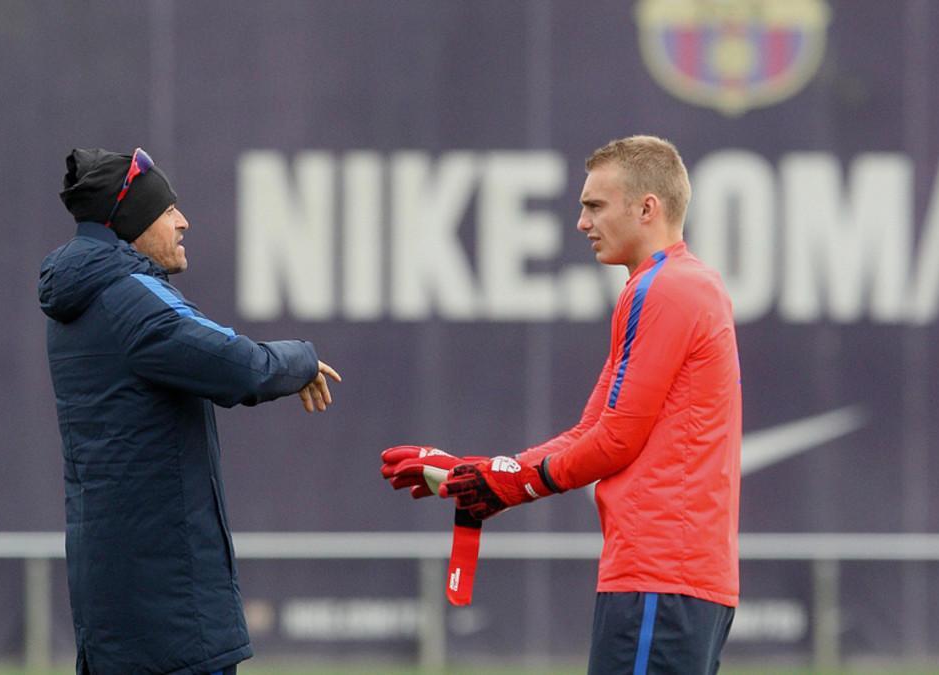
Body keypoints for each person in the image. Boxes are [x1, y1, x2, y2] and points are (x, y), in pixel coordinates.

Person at [382, 136, 740, 674]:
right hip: (671, 576)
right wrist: (484, 475)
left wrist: (508, 484)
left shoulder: (664, 289)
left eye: (594, 205)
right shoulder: (674, 284)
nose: (582, 222)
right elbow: (591, 429)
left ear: (647, 208)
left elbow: (616, 440)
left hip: (659, 576)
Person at [39, 147, 340, 675]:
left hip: (121, 595)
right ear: (130, 222)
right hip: (167, 608)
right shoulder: (130, 298)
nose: (183, 221)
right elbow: (242, 367)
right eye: (166, 210)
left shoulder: (86, 297)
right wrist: (303, 357)